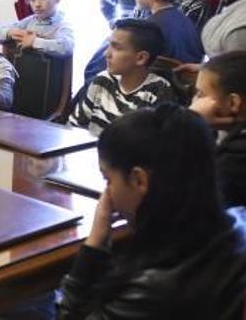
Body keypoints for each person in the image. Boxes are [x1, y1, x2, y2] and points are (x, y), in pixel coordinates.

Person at [56, 104, 246, 319]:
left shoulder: (148, 291)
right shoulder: (238, 223)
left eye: (108, 179)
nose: (106, 194)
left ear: (139, 180)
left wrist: (93, 246)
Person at [69, 19, 176, 136]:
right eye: (109, 45)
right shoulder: (102, 81)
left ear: (141, 58)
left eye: (117, 47)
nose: (106, 54)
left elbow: (155, 145)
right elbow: (74, 127)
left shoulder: (158, 90)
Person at [190, 51, 246, 208]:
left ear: (233, 103)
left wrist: (191, 123)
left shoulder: (234, 161)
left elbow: (191, 198)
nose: (194, 101)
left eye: (200, 95)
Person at [0, 0, 74, 57]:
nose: (37, 4)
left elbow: (67, 47)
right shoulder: (29, 21)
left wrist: (34, 41)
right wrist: (10, 32)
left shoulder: (62, 23)